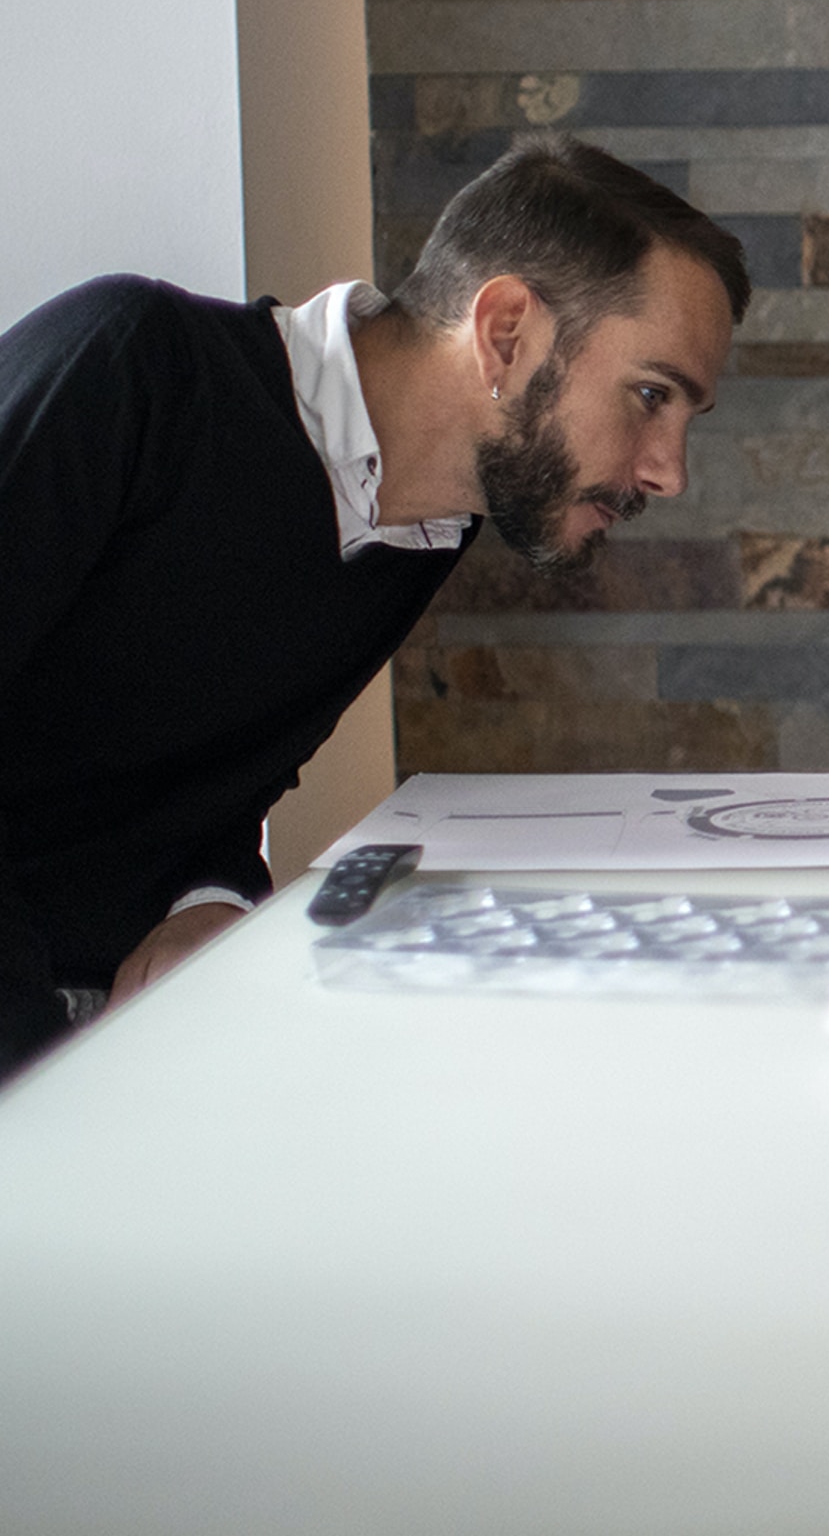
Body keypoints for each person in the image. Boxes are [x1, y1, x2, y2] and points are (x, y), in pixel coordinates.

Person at [0, 133, 749, 1073]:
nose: (668, 471)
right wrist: (39, 1087)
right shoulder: (134, 367)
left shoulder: (427, 524)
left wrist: (208, 905)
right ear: (506, 331)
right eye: (649, 395)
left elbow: (208, 780)